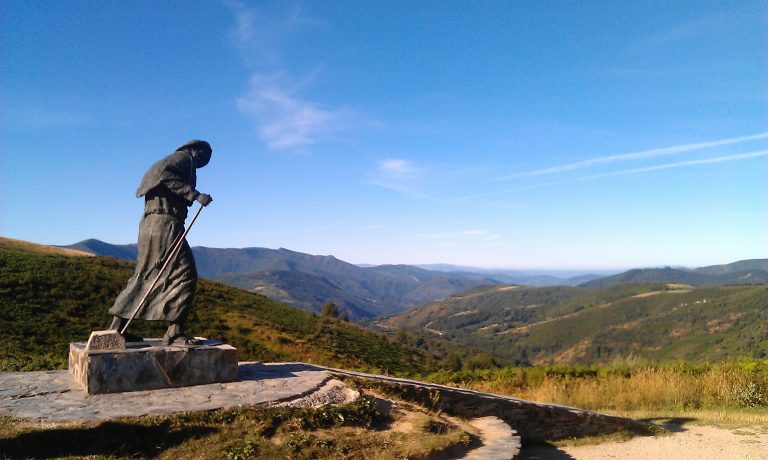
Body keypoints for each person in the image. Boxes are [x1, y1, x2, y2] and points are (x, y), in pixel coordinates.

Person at [108, 140, 213, 345]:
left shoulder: (175, 161)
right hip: (165, 223)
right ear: (194, 150)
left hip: (152, 224)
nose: (204, 161)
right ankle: (174, 331)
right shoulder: (183, 159)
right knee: (185, 273)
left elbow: (158, 178)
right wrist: (195, 195)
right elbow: (163, 175)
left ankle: (115, 329)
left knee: (146, 273)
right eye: (204, 156)